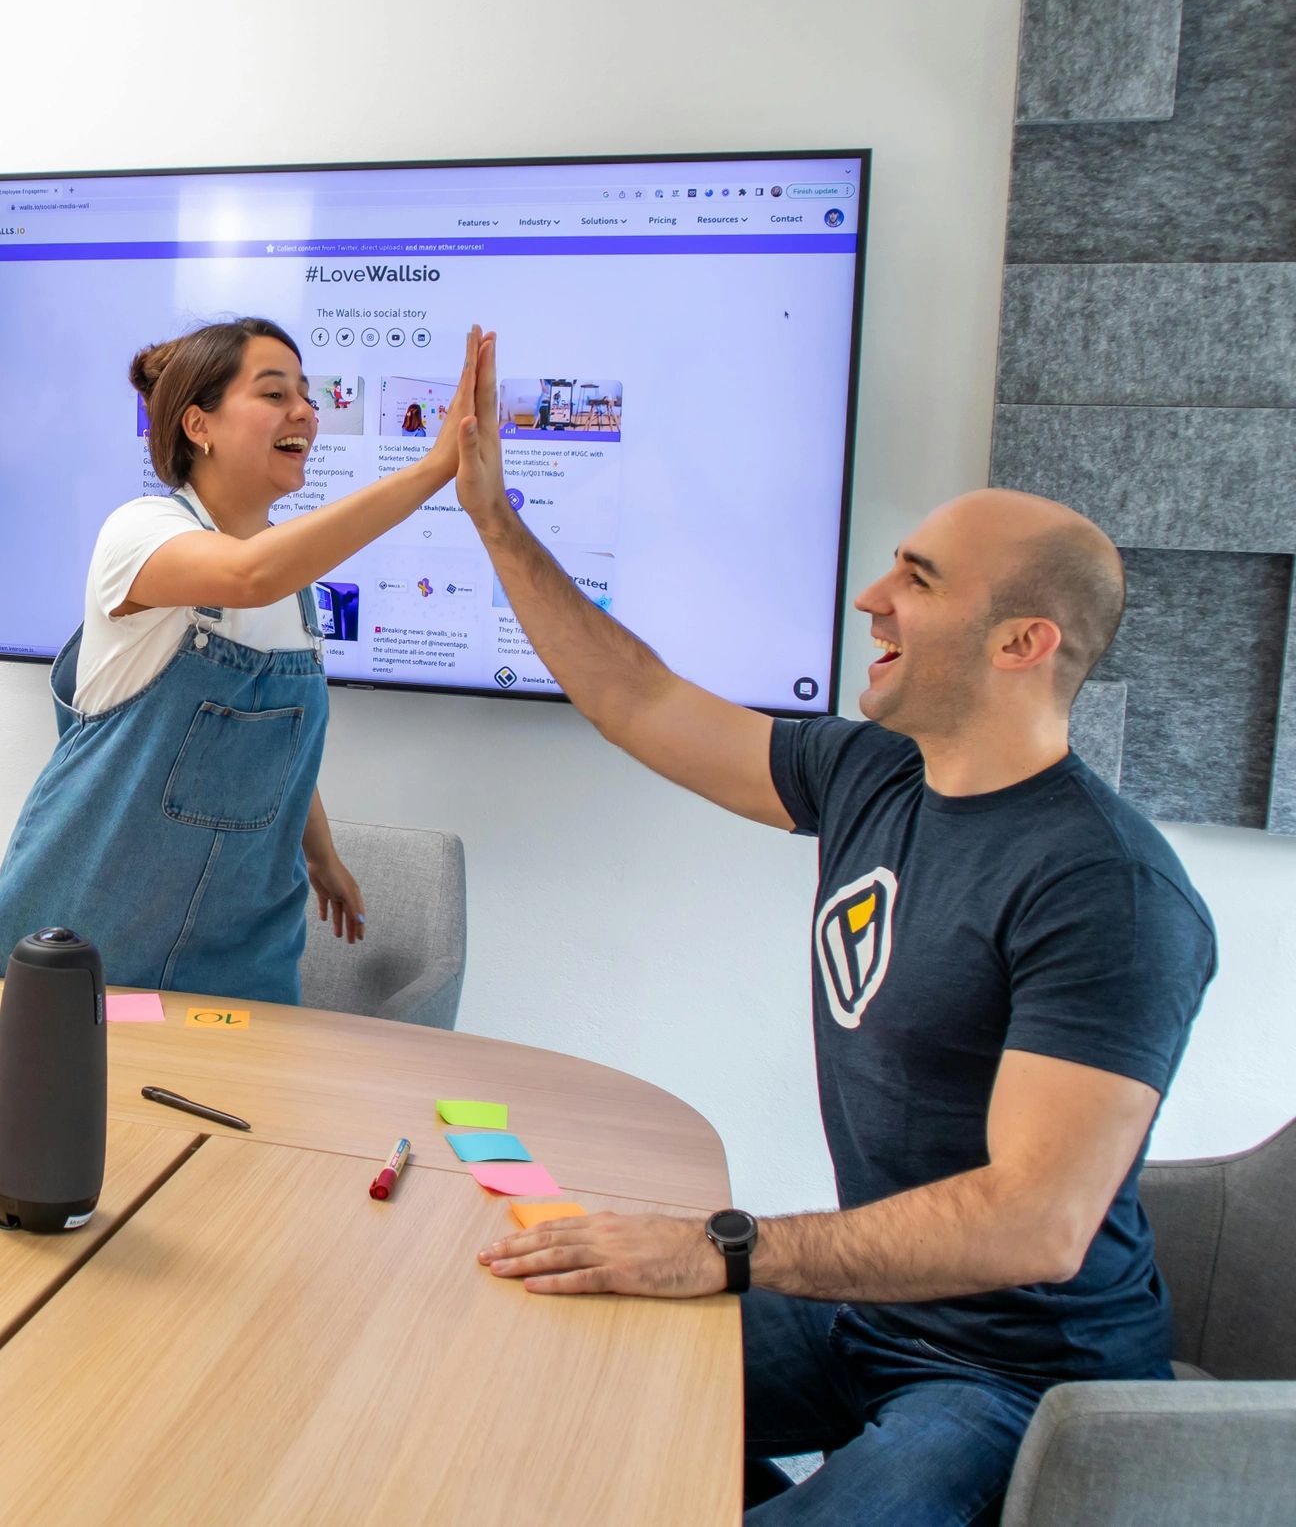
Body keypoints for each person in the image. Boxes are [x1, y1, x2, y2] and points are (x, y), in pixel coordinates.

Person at [444, 340, 1215, 1522]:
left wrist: (723, 1246)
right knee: (554, 1386)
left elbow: (1036, 1221)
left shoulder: (1104, 890)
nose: (872, 599)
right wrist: (496, 522)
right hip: (869, 1317)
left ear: (1021, 644)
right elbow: (638, 696)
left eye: (918, 577)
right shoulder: (874, 775)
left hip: (1021, 1378)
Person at [0, 318, 485, 1002]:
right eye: (274, 393)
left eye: (307, 394)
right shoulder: (141, 533)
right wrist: (433, 468)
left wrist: (321, 855)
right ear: (198, 426)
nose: (305, 412)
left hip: (242, 954)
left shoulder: (295, 590)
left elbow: (263, 740)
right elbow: (246, 574)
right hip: (95, 937)